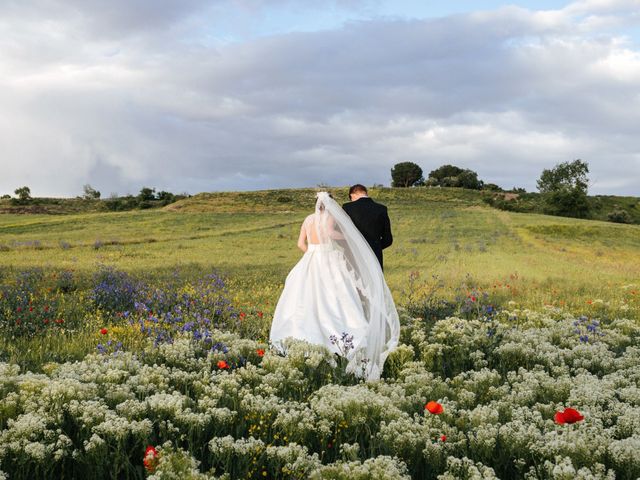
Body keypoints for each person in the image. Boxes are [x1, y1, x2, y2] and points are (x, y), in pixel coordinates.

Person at [269, 192, 400, 381]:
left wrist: (312, 253)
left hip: (310, 259)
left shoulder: (308, 219)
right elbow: (330, 233)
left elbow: (300, 243)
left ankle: (303, 341)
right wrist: (349, 238)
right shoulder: (329, 218)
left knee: (306, 299)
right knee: (337, 297)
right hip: (329, 259)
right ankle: (344, 339)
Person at [342, 184, 393, 270]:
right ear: (365, 193)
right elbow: (388, 239)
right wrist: (374, 247)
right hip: (375, 256)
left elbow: (342, 232)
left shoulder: (347, 208)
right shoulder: (382, 209)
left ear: (352, 195)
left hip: (354, 256)